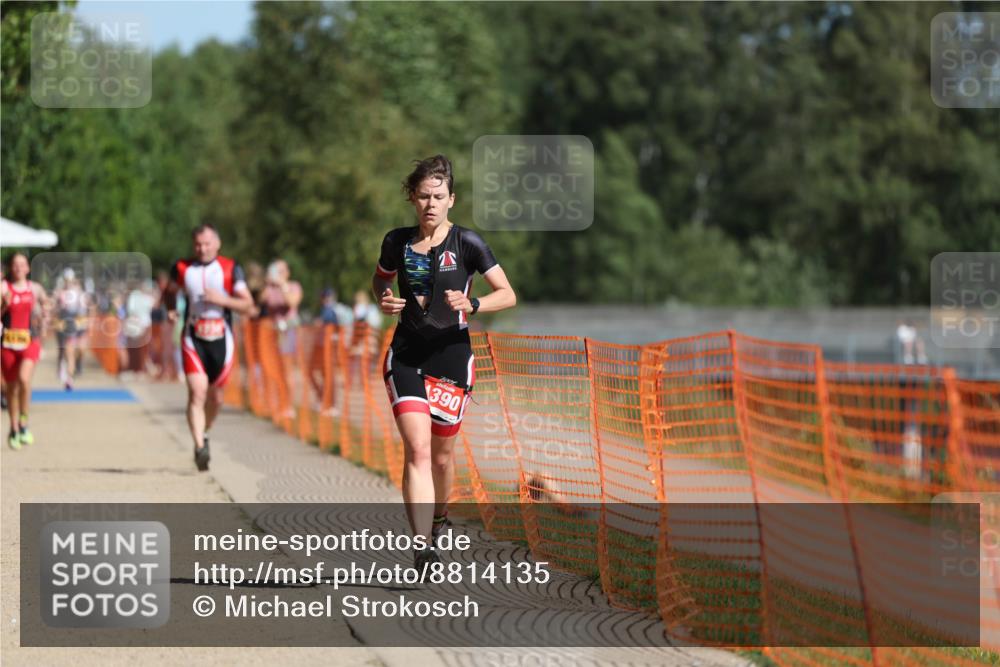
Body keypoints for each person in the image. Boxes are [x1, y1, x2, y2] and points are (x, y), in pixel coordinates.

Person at [373, 155, 516, 570]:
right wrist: (383, 298)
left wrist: (473, 303)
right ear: (412, 199)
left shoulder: (468, 244)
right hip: (406, 356)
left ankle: (439, 517)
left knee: (440, 457)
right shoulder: (396, 241)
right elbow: (381, 279)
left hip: (453, 358)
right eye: (422, 196)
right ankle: (422, 546)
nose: (430, 204)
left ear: (451, 199)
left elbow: (507, 293)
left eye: (438, 196)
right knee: (416, 450)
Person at [165, 224, 254, 471]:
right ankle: (199, 447)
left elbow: (248, 304)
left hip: (221, 339)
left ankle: (204, 431)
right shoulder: (182, 268)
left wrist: (222, 300)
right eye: (198, 245)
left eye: (207, 244)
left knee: (216, 398)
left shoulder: (230, 269)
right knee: (197, 392)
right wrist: (171, 309)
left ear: (217, 244)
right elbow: (169, 292)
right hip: (194, 338)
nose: (202, 249)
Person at [2, 252, 51, 449]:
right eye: (15, 264)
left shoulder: (35, 288)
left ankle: (24, 419)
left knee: (24, 379)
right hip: (7, 343)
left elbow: (46, 304)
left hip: (30, 341)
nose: (19, 268)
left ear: (28, 268)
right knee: (10, 389)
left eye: (22, 264)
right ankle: (14, 427)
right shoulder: (3, 288)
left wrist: (46, 312)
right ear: (10, 268)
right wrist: (4, 304)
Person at [53, 267, 88, 390]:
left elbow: (82, 310)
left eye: (70, 279)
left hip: (73, 325)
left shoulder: (78, 292)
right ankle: (61, 367)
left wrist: (81, 323)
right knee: (62, 351)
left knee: (70, 352)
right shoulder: (59, 292)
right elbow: (55, 310)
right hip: (61, 325)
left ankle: (69, 378)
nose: (68, 281)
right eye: (66, 279)